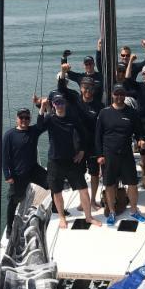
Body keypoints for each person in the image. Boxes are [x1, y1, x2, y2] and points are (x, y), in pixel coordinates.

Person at [37, 94, 101, 229]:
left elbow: (83, 134)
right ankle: (62, 217)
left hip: (72, 160)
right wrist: (42, 107)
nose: (59, 105)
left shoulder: (73, 119)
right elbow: (39, 127)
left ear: (65, 104)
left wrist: (82, 151)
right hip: (55, 161)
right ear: (53, 105)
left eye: (61, 102)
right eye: (56, 103)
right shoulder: (50, 119)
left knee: (83, 190)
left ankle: (88, 217)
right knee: (57, 192)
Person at [95, 83, 145, 226]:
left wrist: (141, 140)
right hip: (109, 155)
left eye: (122, 94)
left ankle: (134, 210)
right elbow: (97, 136)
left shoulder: (132, 113)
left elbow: (139, 132)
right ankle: (111, 211)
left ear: (125, 95)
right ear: (112, 95)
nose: (119, 96)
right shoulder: (104, 113)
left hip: (126, 154)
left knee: (132, 184)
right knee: (109, 185)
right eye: (117, 94)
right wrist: (99, 155)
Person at [57, 74, 102, 213]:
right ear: (81, 88)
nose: (87, 90)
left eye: (90, 87)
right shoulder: (75, 100)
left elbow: (103, 128)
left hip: (93, 145)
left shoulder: (99, 106)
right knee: (80, 174)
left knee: (94, 173)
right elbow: (62, 89)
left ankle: (93, 199)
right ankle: (84, 201)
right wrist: (62, 73)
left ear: (93, 89)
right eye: (84, 87)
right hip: (78, 145)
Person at [2, 107, 48, 237]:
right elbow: (5, 157)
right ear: (17, 119)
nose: (24, 120)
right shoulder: (9, 135)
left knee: (53, 183)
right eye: (21, 118)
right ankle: (10, 227)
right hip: (18, 174)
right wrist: (8, 175)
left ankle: (56, 209)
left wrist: (42, 109)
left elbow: (42, 125)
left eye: (27, 118)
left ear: (30, 119)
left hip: (33, 170)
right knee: (13, 201)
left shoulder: (33, 131)